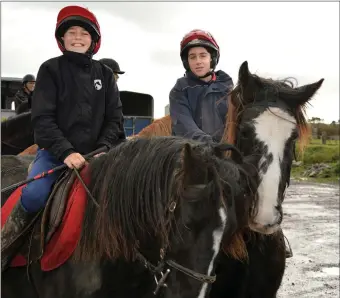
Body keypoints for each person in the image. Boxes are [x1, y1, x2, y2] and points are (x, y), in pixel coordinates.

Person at [1, 5, 126, 272]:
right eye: (72, 32)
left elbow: (114, 119)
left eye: (84, 33)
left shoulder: (104, 75)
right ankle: (6, 246)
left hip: (99, 156)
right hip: (56, 154)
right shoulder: (49, 70)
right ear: (62, 39)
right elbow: (43, 120)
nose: (78, 37)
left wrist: (104, 149)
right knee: (34, 195)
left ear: (94, 40)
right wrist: (66, 152)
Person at [169, 29, 293, 258]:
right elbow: (183, 123)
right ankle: (169, 242)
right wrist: (208, 144)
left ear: (212, 58)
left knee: (257, 185)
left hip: (228, 151)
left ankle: (274, 236)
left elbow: (242, 120)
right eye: (192, 57)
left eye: (202, 56)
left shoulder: (230, 88)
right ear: (186, 61)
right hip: (196, 152)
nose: (198, 61)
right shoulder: (179, 91)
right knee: (177, 195)